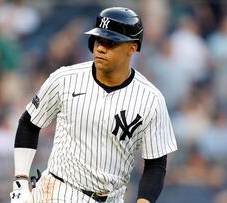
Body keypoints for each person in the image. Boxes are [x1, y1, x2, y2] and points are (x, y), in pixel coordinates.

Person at [10, 7, 177, 203]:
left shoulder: (151, 99)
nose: (100, 48)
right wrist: (20, 182)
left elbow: (156, 164)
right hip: (59, 190)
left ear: (132, 47)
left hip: (112, 199)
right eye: (98, 39)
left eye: (111, 42)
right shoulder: (65, 78)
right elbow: (29, 123)